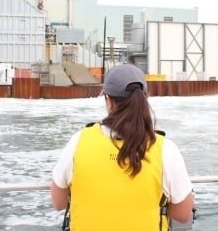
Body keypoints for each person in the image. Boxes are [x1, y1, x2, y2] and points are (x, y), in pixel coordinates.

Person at [50, 64, 195, 231]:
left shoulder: (79, 141)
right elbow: (183, 214)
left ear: (109, 101)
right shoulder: (165, 149)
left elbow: (58, 203)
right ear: (144, 99)